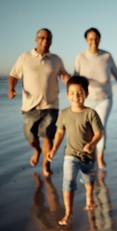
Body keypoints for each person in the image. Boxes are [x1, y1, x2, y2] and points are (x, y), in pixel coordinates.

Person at [7, 28, 71, 177]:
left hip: (51, 105)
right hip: (30, 106)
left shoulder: (56, 59)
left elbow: (63, 74)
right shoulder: (25, 57)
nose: (45, 41)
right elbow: (14, 75)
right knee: (30, 135)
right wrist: (11, 89)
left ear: (51, 41)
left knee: (48, 136)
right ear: (36, 40)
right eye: (42, 38)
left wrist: (69, 80)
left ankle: (46, 165)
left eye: (48, 38)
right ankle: (37, 150)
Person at [74, 27, 117, 170]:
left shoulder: (106, 56)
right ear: (86, 41)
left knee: (100, 127)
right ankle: (89, 154)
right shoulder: (80, 57)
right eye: (90, 39)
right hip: (86, 100)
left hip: (104, 98)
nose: (93, 41)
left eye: (96, 38)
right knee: (87, 129)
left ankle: (100, 156)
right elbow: (75, 78)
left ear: (99, 39)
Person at [47, 76, 104, 225]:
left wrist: (92, 144)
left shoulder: (90, 113)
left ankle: (89, 198)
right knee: (68, 182)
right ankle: (68, 212)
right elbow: (60, 133)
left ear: (86, 94)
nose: (76, 96)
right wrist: (53, 149)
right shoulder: (64, 113)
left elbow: (99, 133)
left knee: (89, 181)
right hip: (70, 154)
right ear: (67, 95)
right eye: (72, 93)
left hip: (88, 156)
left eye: (80, 92)